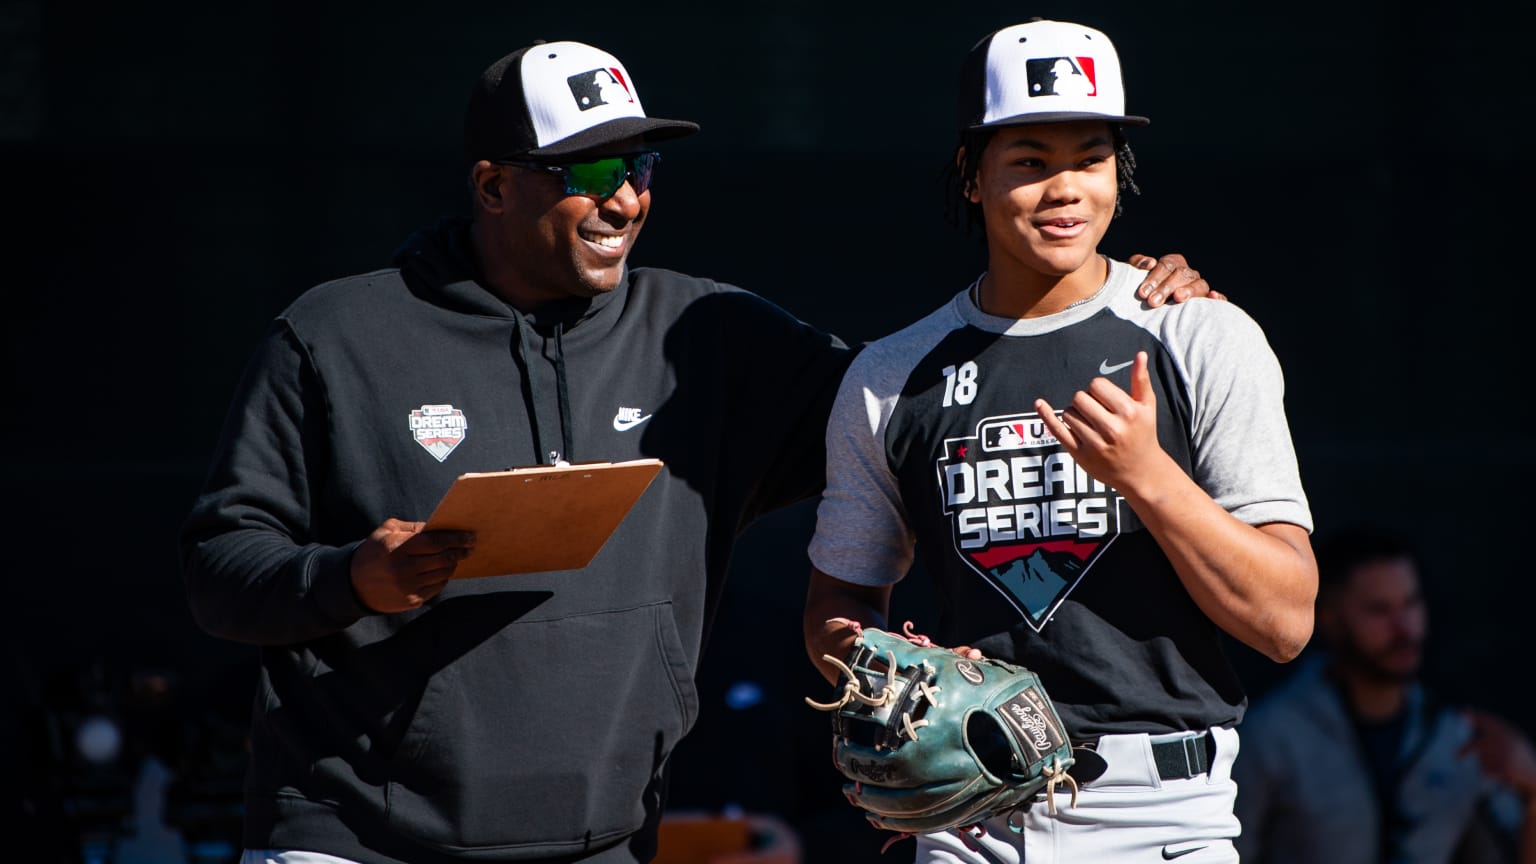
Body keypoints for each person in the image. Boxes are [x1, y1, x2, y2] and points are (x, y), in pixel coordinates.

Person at [178, 36, 1216, 864]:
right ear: (493, 186)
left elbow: (915, 404)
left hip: (607, 841)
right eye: (587, 168)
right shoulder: (338, 334)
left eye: (639, 164)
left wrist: (1113, 290)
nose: (625, 195)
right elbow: (221, 572)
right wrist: (356, 574)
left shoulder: (706, 335)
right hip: (357, 837)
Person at [801, 19, 1317, 863]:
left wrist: (1149, 477)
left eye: (1090, 156)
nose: (1066, 188)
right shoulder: (889, 374)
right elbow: (837, 608)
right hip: (970, 815)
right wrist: (888, 669)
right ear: (971, 175)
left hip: (1165, 815)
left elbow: (1286, 620)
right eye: (1031, 161)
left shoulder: (1201, 336)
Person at [1233, 526, 1536, 863]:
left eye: (1411, 603)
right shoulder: (1272, 737)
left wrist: (1532, 789)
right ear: (1331, 618)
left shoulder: (1457, 737)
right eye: (1379, 610)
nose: (1405, 628)